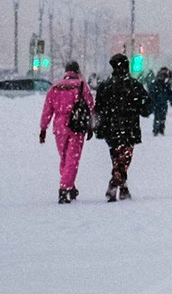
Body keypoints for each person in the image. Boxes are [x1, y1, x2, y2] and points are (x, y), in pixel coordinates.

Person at [39, 61, 94, 204]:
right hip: (76, 125)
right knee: (72, 159)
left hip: (59, 127)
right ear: (77, 71)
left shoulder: (55, 87)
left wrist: (43, 128)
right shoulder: (81, 86)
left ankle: (70, 186)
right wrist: (91, 126)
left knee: (64, 158)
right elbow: (90, 106)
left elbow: (47, 109)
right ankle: (64, 188)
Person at [96, 56, 149, 202]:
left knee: (117, 158)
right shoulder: (134, 85)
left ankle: (124, 189)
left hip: (110, 127)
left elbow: (98, 107)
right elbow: (146, 107)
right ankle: (114, 183)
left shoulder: (105, 86)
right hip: (129, 127)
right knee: (124, 158)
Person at [146, 67, 172, 137]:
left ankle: (161, 128)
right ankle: (156, 129)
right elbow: (151, 93)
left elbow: (169, 93)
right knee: (157, 116)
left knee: (163, 116)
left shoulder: (165, 85)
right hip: (157, 103)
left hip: (162, 103)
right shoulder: (156, 84)